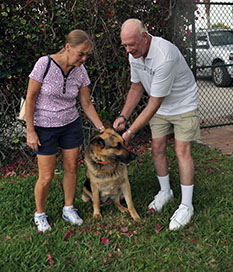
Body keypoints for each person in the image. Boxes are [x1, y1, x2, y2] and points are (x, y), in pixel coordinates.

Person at [113, 19, 200, 231]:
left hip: (183, 104)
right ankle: (165, 192)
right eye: (124, 45)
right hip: (161, 106)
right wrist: (124, 116)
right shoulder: (134, 54)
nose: (128, 49)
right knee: (157, 148)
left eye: (131, 44)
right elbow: (136, 88)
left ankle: (186, 206)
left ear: (145, 36)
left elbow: (153, 103)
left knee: (181, 151)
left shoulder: (164, 56)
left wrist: (131, 131)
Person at [26, 29, 105, 233]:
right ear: (68, 47)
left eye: (87, 54)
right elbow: (31, 99)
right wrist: (31, 131)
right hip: (45, 127)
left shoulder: (80, 70)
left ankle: (68, 208)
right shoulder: (44, 64)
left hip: (70, 124)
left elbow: (86, 104)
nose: (84, 58)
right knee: (46, 176)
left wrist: (102, 129)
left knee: (71, 167)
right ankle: (40, 214)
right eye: (81, 53)